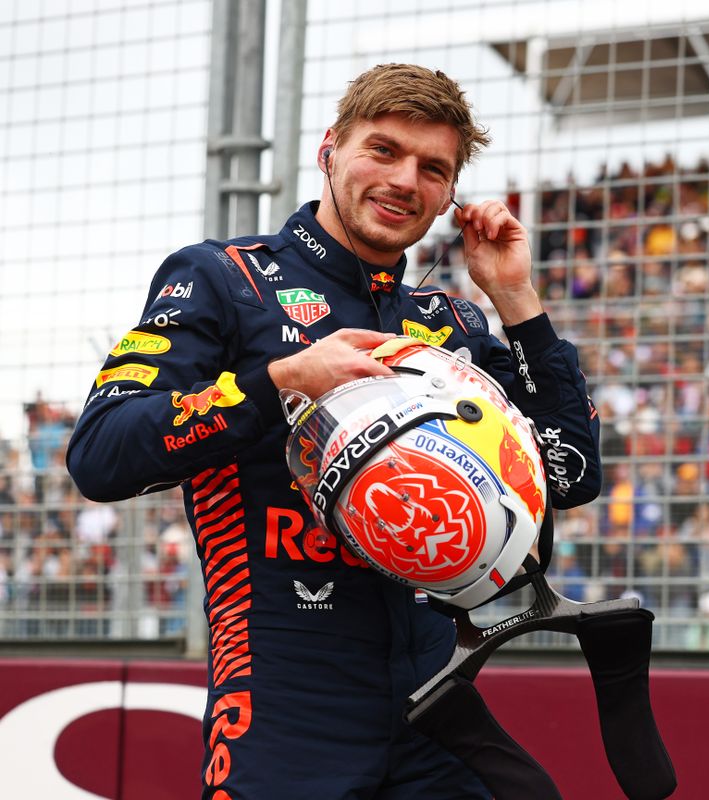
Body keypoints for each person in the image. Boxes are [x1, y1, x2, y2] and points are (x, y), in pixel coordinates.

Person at [66, 63, 601, 799]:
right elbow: (99, 454)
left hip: (435, 702)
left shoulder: (450, 322)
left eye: (433, 168)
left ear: (447, 195)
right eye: (383, 151)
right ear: (329, 150)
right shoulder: (224, 280)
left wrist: (515, 299)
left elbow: (569, 476)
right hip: (284, 709)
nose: (406, 180)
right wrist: (282, 381)